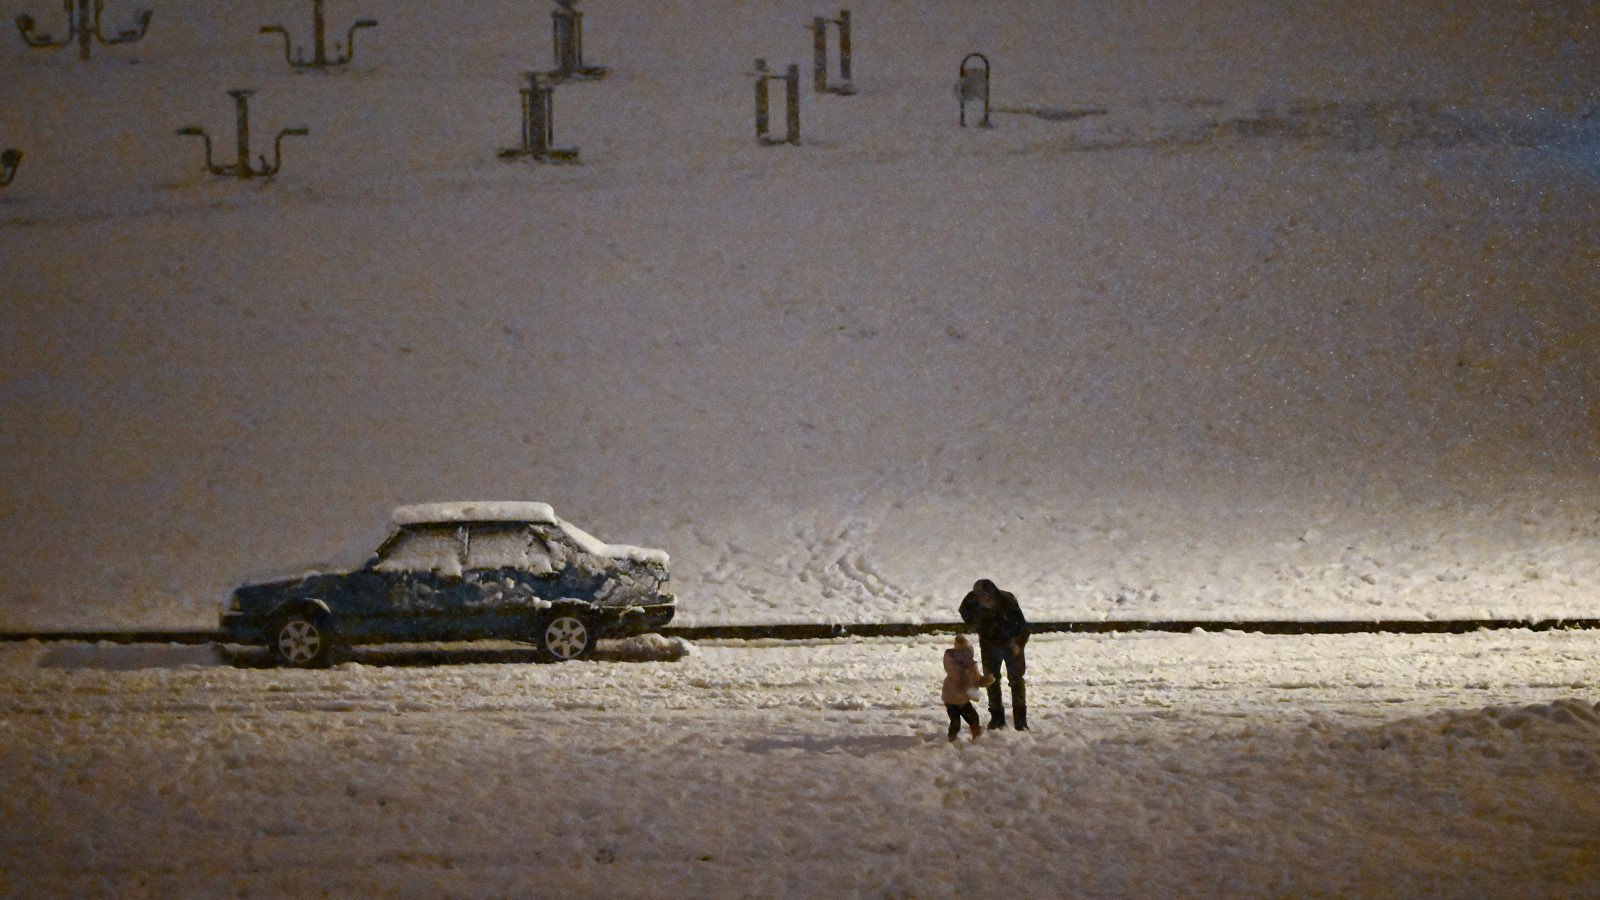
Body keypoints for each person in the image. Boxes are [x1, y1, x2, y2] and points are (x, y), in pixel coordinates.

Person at [958, 578, 1029, 730]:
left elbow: (1022, 626)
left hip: (1011, 642)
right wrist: (976, 626)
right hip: (989, 643)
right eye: (981, 597)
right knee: (991, 680)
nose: (984, 600)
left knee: (1016, 680)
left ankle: (1020, 720)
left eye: (987, 596)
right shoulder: (971, 602)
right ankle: (997, 717)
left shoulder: (1007, 601)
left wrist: (1018, 644)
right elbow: (964, 611)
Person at [941, 635, 993, 742]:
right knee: (956, 722)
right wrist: (968, 673)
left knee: (973, 718)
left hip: (962, 699)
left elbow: (976, 680)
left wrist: (986, 680)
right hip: (952, 699)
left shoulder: (970, 666)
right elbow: (959, 679)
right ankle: (951, 739)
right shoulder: (953, 664)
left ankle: (976, 736)